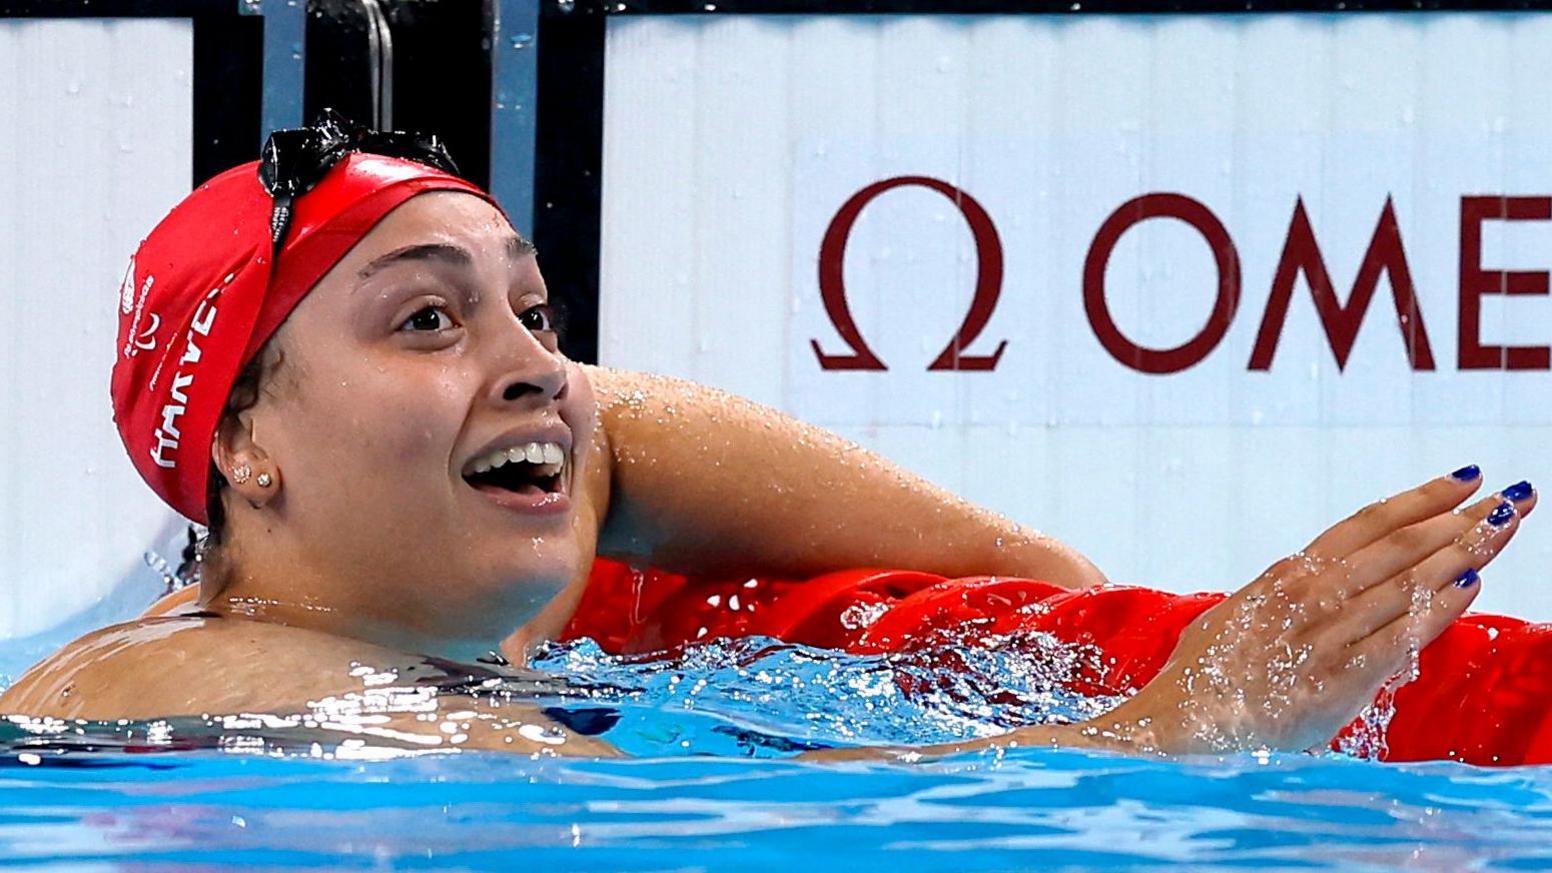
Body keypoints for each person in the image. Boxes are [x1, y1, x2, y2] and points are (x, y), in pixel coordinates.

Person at [0, 118, 1534, 760]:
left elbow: (1021, 565)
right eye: (427, 320)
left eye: (534, 311)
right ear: (243, 440)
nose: (536, 366)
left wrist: (1050, 608)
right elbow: (620, 823)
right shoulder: (191, 678)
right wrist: (1168, 725)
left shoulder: (462, 550)